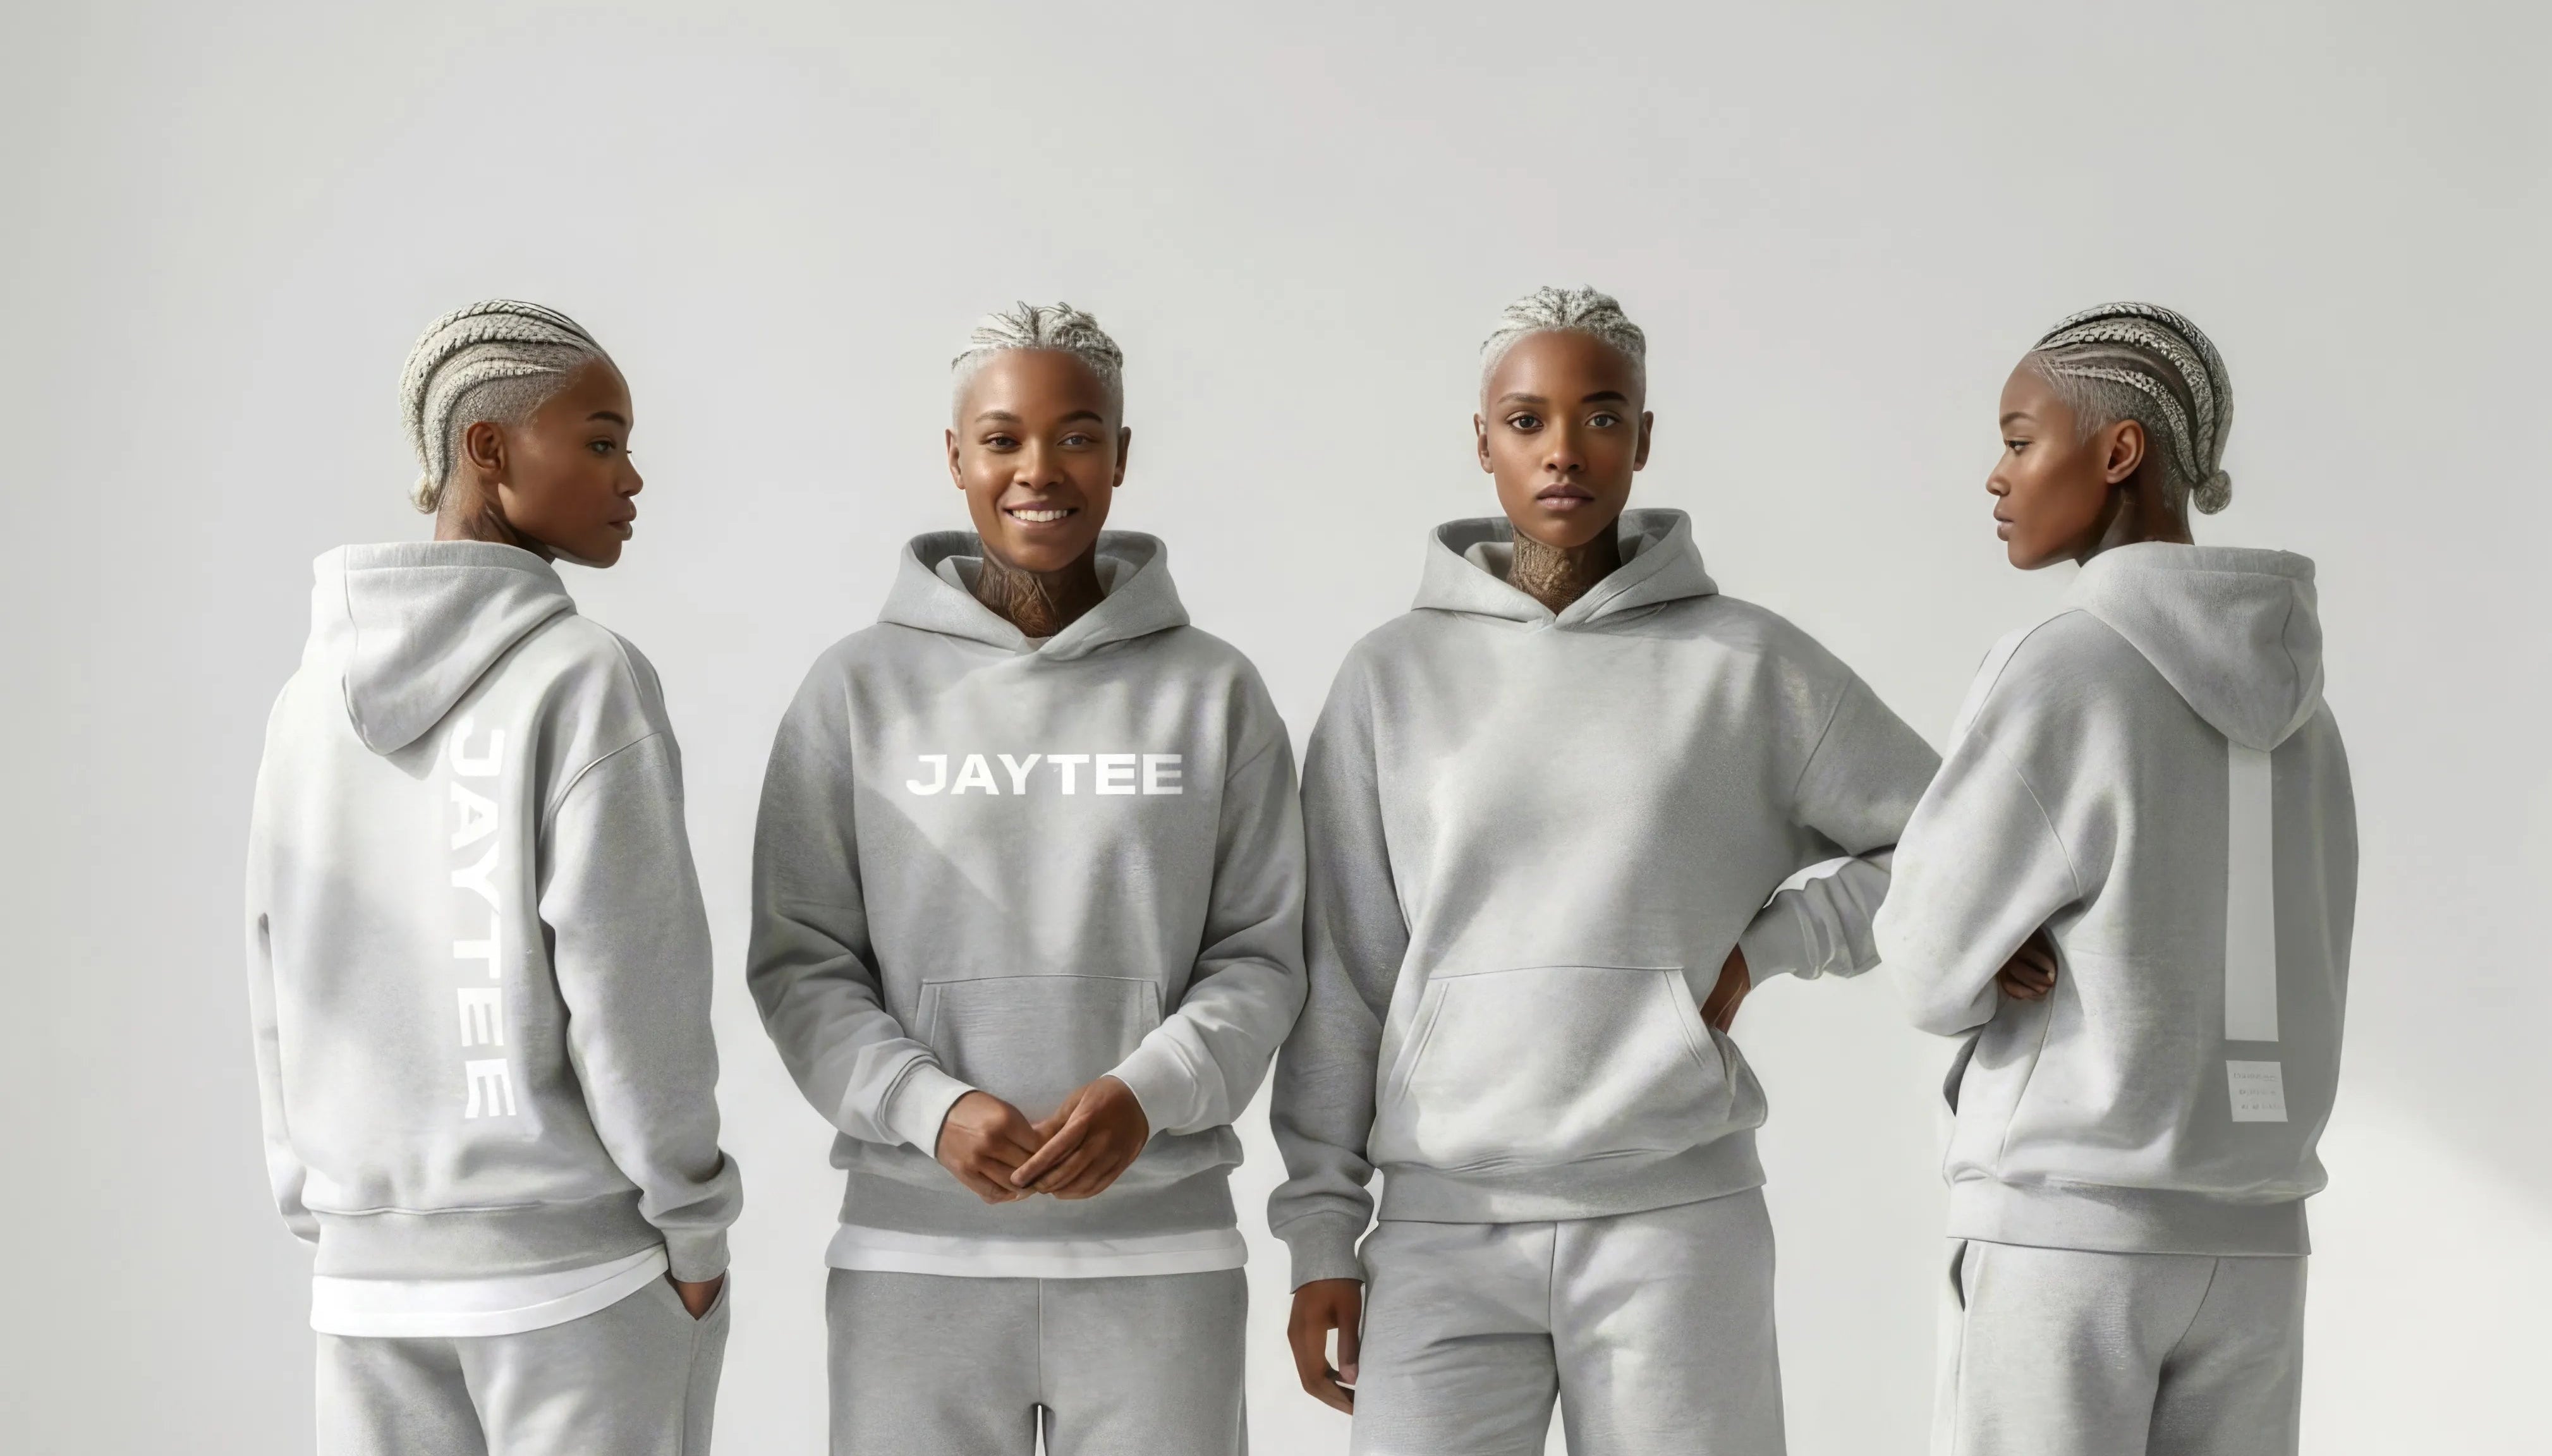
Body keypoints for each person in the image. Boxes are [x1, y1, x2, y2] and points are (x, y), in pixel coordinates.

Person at [1270, 286, 1940, 1455]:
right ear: (1482, 441)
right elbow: (1344, 973)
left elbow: (1948, 843)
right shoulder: (1391, 677)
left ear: (1644, 436)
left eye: (1602, 416)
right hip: (1441, 1227)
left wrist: (1777, 943)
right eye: (1527, 421)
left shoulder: (1745, 663)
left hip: (1676, 1223)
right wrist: (1324, 1234)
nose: (1564, 450)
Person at [748, 303, 1306, 1455]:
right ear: (955, 457)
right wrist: (926, 1105)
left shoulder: (1216, 692)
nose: (1039, 471)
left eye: (1078, 436)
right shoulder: (854, 691)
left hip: (1162, 1258)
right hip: (915, 1261)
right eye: (1002, 439)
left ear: (1121, 454)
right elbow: (802, 960)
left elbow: (1262, 952)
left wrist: (1153, 1088)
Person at [243, 300, 740, 1455]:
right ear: (489, 449)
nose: (633, 477)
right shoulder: (586, 679)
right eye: (603, 440)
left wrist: (324, 1208)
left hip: (367, 1286)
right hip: (568, 1278)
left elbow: (276, 974)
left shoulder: (305, 701)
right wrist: (695, 1226)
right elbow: (636, 990)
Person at [1876, 303, 2356, 1456]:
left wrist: (1995, 957)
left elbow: (1927, 963)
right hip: (2255, 1242)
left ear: (2120, 451)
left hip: (2070, 1237)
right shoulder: (2307, 714)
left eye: (2020, 438)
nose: (1996, 476)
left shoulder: (2063, 667)